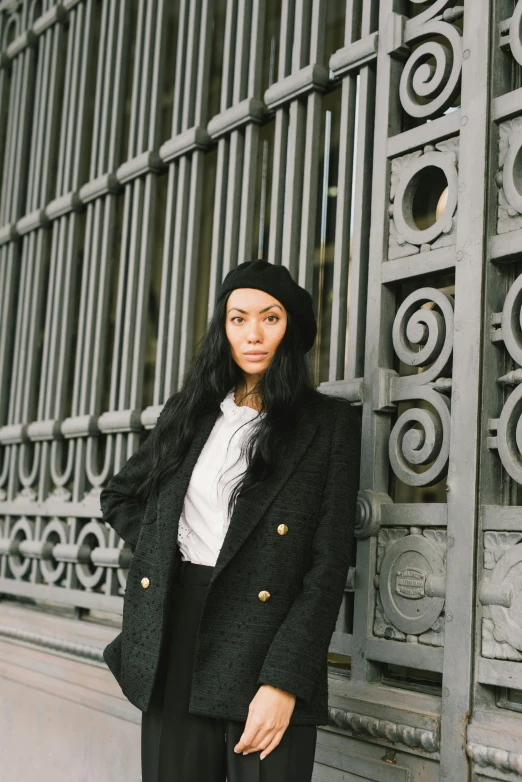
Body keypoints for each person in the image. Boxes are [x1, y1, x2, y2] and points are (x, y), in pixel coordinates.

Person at [100, 258, 361, 781]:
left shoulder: (328, 425)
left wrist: (284, 682)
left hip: (268, 647)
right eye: (238, 319)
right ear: (223, 328)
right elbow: (120, 495)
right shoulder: (191, 412)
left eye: (270, 317)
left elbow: (328, 566)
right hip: (175, 635)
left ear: (292, 329)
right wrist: (167, 543)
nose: (253, 334)